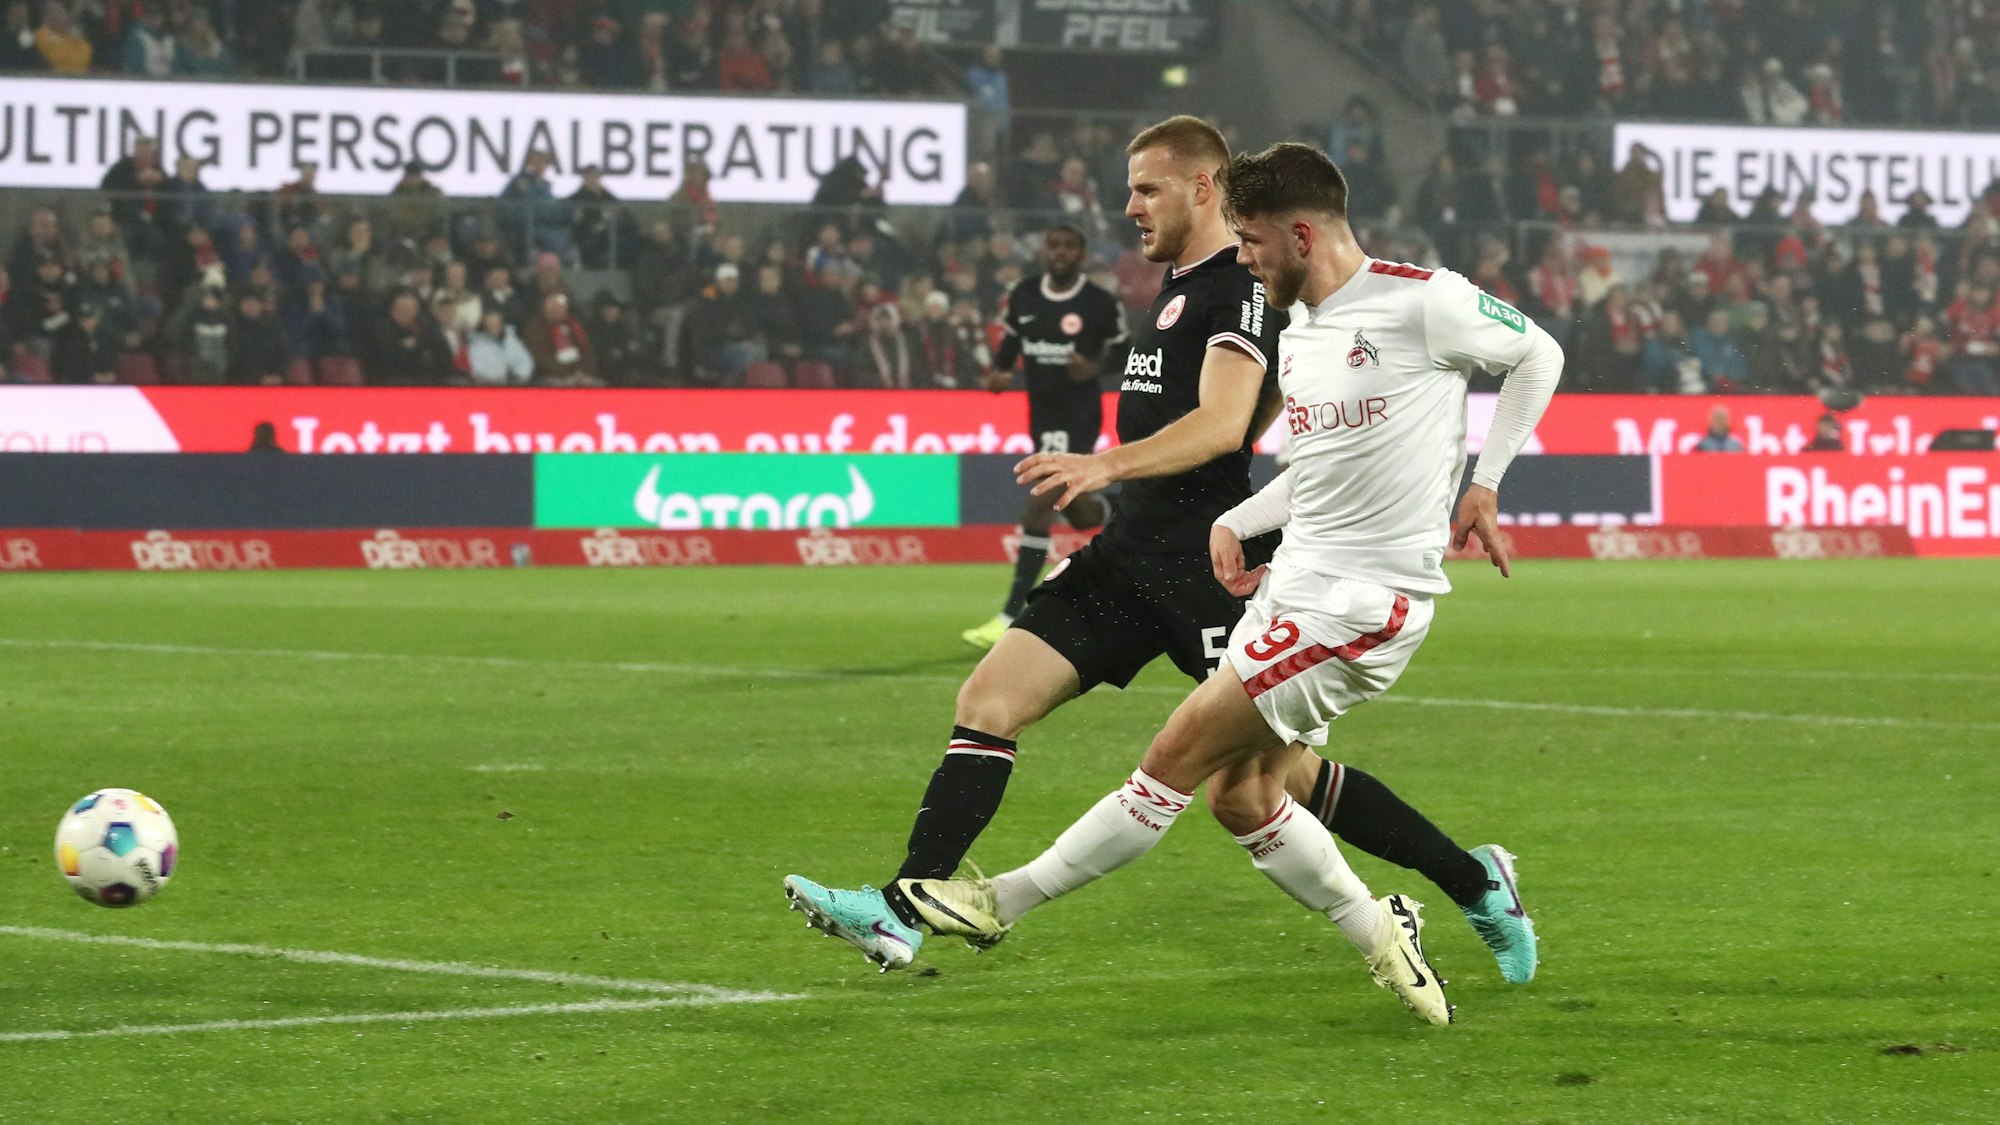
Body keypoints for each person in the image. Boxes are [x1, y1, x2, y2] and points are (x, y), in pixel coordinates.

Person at [784, 118, 1538, 988]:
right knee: (989, 697)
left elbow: (1225, 422)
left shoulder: (1240, 290)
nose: (1129, 205)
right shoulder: (1186, 285)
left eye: (1147, 188)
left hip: (1203, 576)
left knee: (1262, 786)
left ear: (1205, 188)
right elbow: (1264, 420)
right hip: (1130, 550)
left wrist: (1121, 469)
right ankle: (900, 909)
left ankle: (1464, 883)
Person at [960, 224, 1125, 650]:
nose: (1060, 253)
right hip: (1041, 415)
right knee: (1079, 513)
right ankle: (1121, 508)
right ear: (1044, 250)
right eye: (1053, 244)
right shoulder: (1026, 295)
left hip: (1079, 416)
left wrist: (1095, 367)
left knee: (1038, 503)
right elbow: (1012, 338)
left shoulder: (1097, 302)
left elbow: (1126, 348)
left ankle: (1011, 613)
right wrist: (1000, 369)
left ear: (1081, 254)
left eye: (1069, 246)